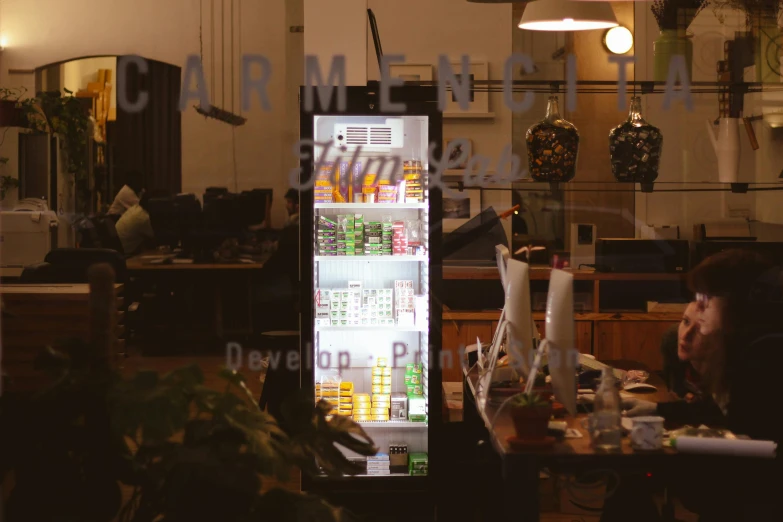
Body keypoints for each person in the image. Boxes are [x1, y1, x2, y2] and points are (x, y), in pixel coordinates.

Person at [623, 249, 783, 521]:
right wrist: (657, 412)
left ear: (742, 303)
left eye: (707, 299)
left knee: (634, 481)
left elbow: (759, 447)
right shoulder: (742, 349)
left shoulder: (764, 355)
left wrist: (675, 444)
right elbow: (717, 411)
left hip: (758, 496)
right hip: (748, 487)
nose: (699, 307)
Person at [660, 301, 713, 403]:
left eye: (700, 329)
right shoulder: (672, 339)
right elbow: (675, 388)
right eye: (686, 321)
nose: (685, 335)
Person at [115, 192, 155, 256]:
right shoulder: (143, 218)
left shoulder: (135, 208)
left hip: (119, 249)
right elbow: (155, 237)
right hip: (126, 254)